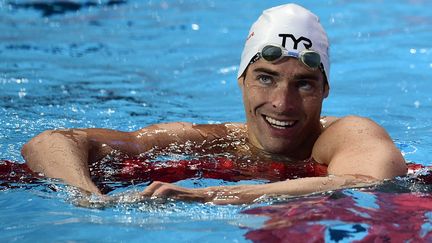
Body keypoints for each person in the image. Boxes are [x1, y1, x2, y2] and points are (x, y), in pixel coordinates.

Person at [21, 3, 406, 205]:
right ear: (241, 80)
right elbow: (51, 141)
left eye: (303, 84)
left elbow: (365, 185)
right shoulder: (207, 141)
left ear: (325, 89)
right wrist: (88, 201)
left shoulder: (348, 135)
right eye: (266, 77)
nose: (281, 103)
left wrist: (210, 196)